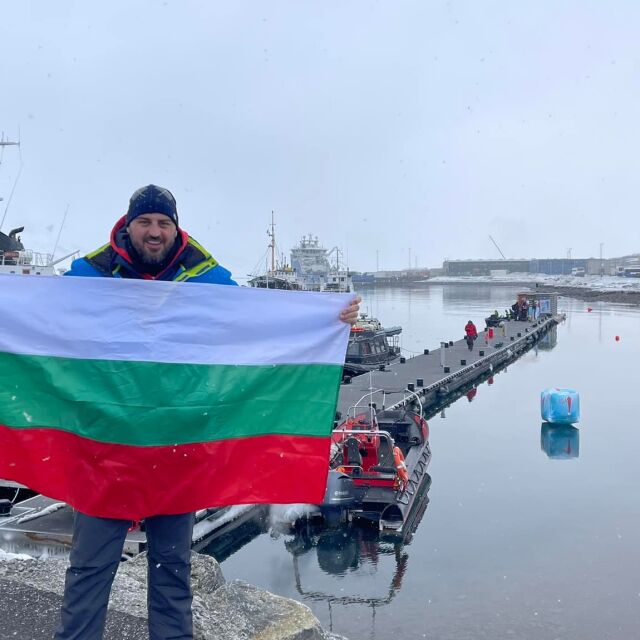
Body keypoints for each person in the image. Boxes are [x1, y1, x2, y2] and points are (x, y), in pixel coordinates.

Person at [56, 184, 360, 640]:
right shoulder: (89, 276)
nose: (154, 232)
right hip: (107, 448)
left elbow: (258, 322)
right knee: (89, 570)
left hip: (177, 449)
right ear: (128, 226)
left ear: (176, 228)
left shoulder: (207, 280)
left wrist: (328, 317)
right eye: (145, 222)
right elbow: (43, 319)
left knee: (173, 572)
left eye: (163, 223)